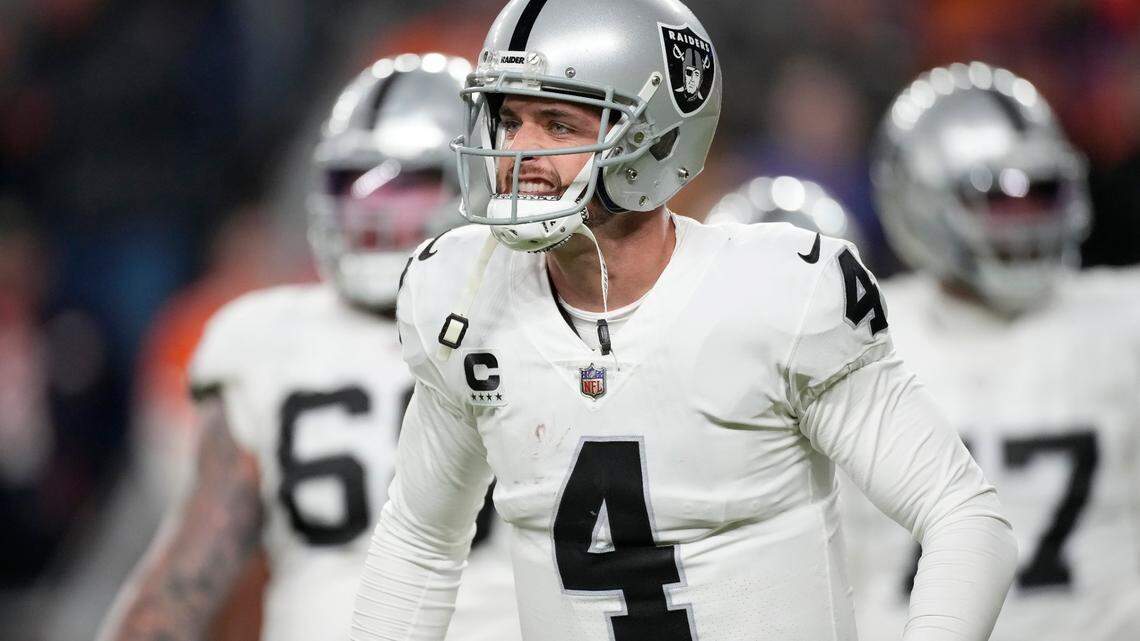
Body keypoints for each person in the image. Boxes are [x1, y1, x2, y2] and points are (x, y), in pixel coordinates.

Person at [350, 3, 1017, 640]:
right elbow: (419, 543)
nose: (519, 154)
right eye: (509, 118)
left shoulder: (776, 293)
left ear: (653, 136)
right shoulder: (462, 293)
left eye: (558, 125)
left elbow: (964, 516)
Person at [98, 53, 520, 641]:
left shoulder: (540, 314)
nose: (373, 212)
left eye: (405, 187)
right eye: (355, 185)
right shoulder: (544, 319)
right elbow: (188, 574)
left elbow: (178, 586)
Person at [844, 61, 1140, 641]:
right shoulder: (854, 332)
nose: (1026, 220)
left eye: (1042, 192)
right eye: (1000, 199)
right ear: (921, 199)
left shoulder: (1120, 320)